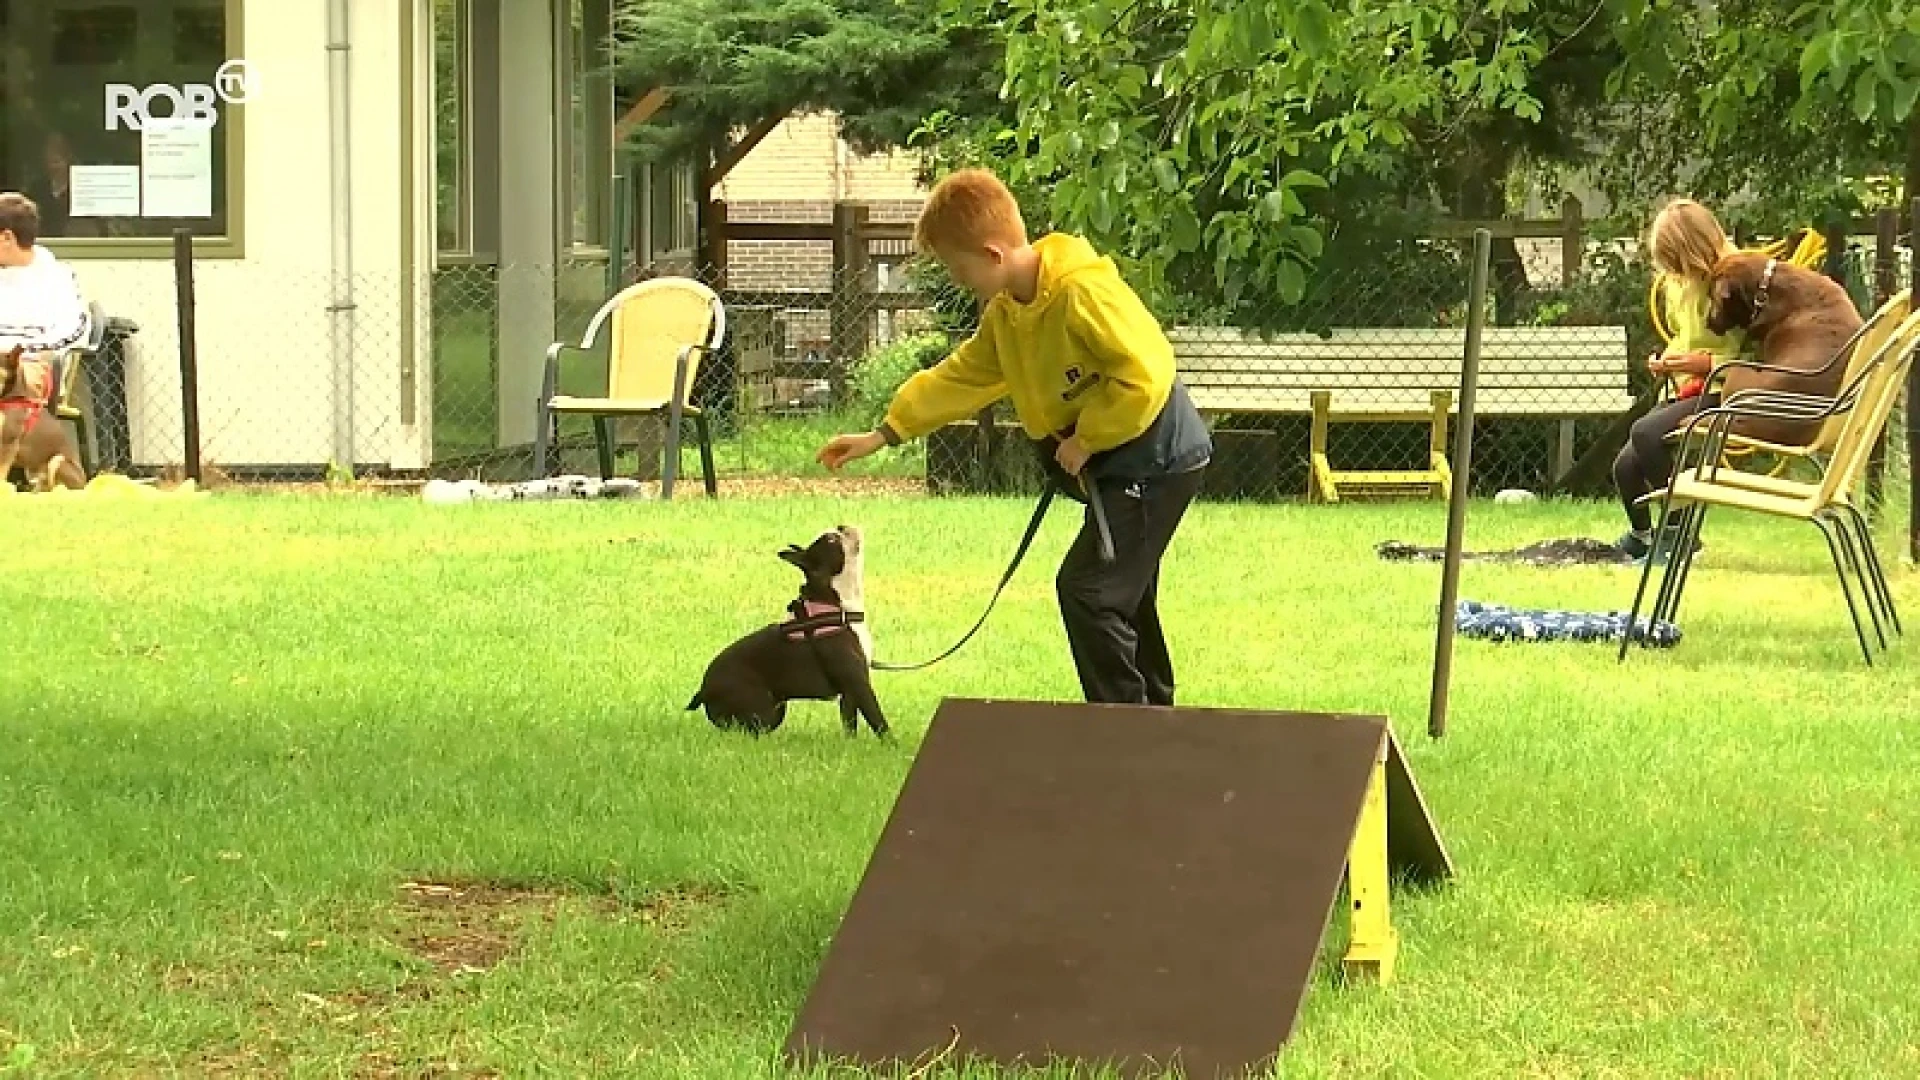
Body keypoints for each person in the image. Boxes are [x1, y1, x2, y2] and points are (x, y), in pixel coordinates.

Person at [816, 168, 1213, 706]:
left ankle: (1125, 727)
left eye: (960, 268)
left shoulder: (1081, 292)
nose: (959, 281)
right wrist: (884, 433)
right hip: (1121, 460)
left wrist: (1088, 439)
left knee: (1091, 594)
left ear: (994, 254)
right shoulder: (1010, 312)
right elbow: (963, 375)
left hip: (1157, 456)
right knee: (1124, 593)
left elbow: (1145, 373)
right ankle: (1155, 722)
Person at [1610, 198, 1742, 561]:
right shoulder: (1677, 284)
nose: (1673, 271)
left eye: (1676, 261)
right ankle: (1642, 537)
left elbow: (1757, 356)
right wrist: (1668, 359)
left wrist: (1706, 363)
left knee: (1646, 433)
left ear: (1694, 249)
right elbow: (1683, 337)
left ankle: (1683, 535)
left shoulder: (1735, 281)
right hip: (1686, 386)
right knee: (1624, 466)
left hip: (1726, 387)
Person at [0, 191, 88, 356]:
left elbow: (70, 332)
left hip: (30, 361)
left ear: (6, 238)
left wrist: (18, 351)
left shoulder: (57, 278)